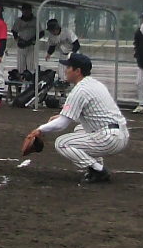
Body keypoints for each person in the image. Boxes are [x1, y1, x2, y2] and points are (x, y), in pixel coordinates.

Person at [26, 53, 129, 184]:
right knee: (79, 129)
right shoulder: (94, 84)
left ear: (78, 71)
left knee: (62, 143)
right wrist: (61, 116)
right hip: (120, 134)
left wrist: (40, 129)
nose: (66, 70)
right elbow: (93, 114)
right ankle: (97, 166)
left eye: (69, 67)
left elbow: (62, 124)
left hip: (110, 138)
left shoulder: (80, 90)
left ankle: (98, 170)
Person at [45, 19, 80, 85]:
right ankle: (63, 86)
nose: (52, 32)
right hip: (63, 55)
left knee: (74, 72)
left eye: (53, 30)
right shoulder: (51, 37)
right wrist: (48, 54)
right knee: (62, 75)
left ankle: (75, 85)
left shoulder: (67, 32)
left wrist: (72, 54)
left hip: (73, 53)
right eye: (50, 31)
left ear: (57, 28)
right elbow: (52, 46)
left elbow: (77, 44)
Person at [11, 3, 38, 75]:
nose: (26, 12)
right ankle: (20, 80)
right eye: (24, 10)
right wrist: (18, 40)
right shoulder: (18, 20)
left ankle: (30, 80)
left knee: (31, 67)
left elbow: (41, 33)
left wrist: (32, 40)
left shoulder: (35, 20)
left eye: (28, 10)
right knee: (20, 67)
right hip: (21, 46)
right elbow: (14, 31)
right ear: (22, 11)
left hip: (31, 46)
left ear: (30, 11)